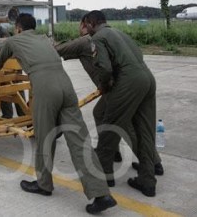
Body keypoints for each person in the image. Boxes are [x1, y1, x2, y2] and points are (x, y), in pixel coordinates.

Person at [0, 13, 116, 214]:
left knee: (45, 136)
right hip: (65, 85)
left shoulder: (13, 40)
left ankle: (43, 184)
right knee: (80, 140)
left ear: (17, 28)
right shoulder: (44, 38)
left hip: (45, 87)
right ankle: (101, 193)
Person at [55, 18, 164, 182]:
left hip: (123, 86)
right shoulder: (118, 33)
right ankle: (146, 167)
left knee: (118, 126)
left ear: (87, 25)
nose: (79, 29)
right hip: (145, 79)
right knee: (102, 113)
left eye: (80, 25)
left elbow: (58, 50)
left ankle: (107, 172)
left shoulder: (88, 39)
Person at [82, 10, 158, 197]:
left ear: (92, 23)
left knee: (109, 130)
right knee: (145, 132)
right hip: (147, 79)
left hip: (128, 82)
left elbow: (105, 68)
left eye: (85, 26)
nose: (85, 30)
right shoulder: (120, 33)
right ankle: (148, 180)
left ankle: (104, 176)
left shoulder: (98, 38)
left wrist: (105, 85)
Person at [0, 23, 23, 119]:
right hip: (3, 64)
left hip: (12, 65)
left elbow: (7, 49)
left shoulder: (3, 33)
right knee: (3, 91)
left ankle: (23, 114)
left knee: (16, 90)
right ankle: (7, 115)